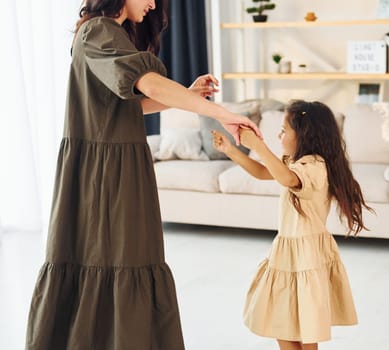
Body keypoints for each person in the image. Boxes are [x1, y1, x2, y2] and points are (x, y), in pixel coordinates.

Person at [25, 0, 260, 349]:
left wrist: (188, 96)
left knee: (120, 260)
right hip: (105, 175)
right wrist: (220, 113)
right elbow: (149, 85)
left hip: (114, 168)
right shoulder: (99, 30)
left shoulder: (106, 33)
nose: (153, 4)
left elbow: (130, 107)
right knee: (120, 259)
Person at [212, 100, 371, 350]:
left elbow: (287, 178)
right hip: (288, 253)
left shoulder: (315, 166)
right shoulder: (298, 162)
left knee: (305, 328)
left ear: (304, 134)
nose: (279, 134)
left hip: (306, 255)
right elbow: (266, 173)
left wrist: (259, 145)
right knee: (281, 321)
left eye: (284, 130)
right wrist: (231, 150)